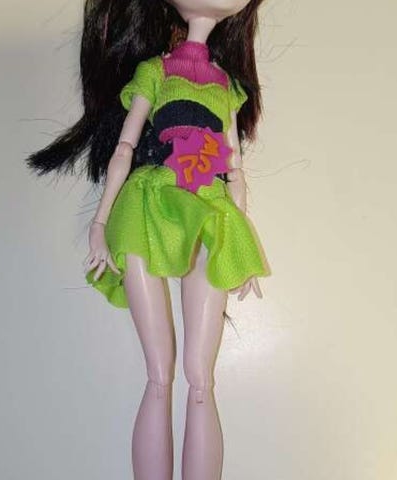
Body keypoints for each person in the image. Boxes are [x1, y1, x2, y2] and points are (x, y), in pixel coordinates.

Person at [26, 1, 270, 479]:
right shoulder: (155, 71)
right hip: (149, 203)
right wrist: (100, 223)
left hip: (207, 208)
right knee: (159, 372)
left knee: (200, 378)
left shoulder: (227, 86)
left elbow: (234, 170)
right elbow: (125, 149)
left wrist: (239, 246)